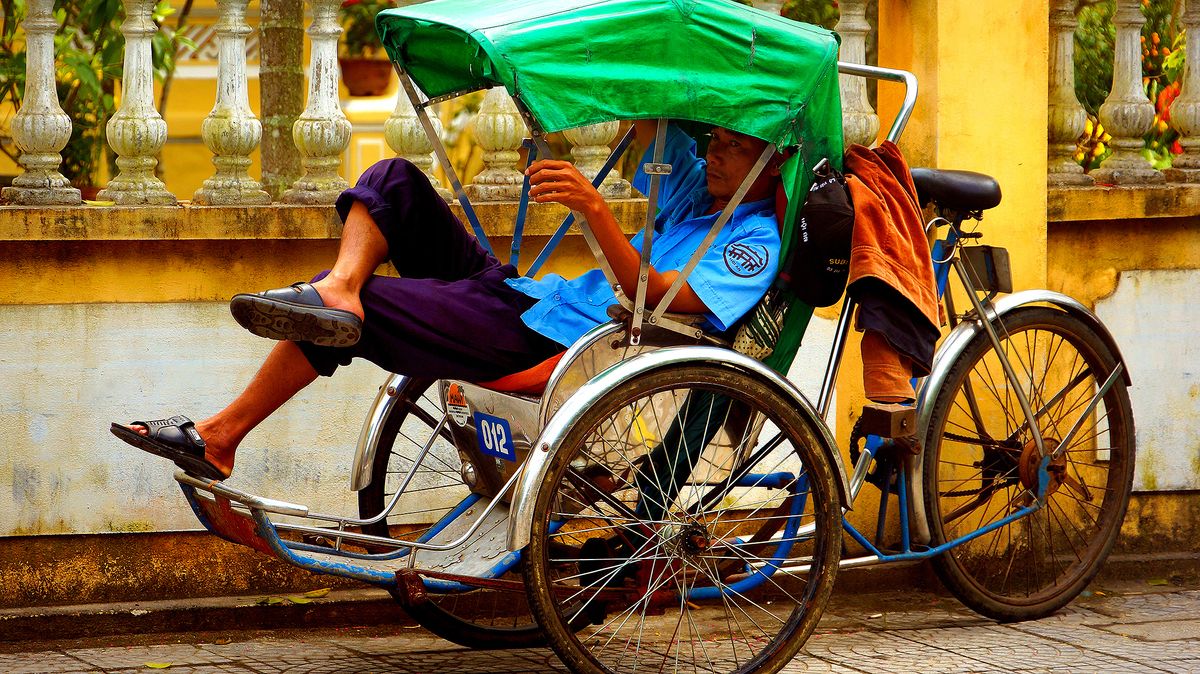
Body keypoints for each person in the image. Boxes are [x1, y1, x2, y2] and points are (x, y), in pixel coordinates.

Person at [111, 123, 785, 480]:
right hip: (524, 298)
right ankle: (339, 288)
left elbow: (660, 294)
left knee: (363, 313)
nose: (714, 153)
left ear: (771, 160)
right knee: (395, 179)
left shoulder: (756, 240)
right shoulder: (701, 194)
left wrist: (593, 210)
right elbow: (650, 120)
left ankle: (224, 435)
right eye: (715, 140)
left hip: (552, 341)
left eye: (734, 145)